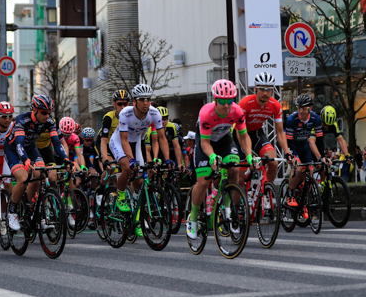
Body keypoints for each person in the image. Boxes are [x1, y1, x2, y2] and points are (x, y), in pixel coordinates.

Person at [185, 80, 251, 240]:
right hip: (206, 142)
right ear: (215, 99)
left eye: (230, 101)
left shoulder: (237, 111)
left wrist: (249, 155)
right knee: (203, 182)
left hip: (224, 140)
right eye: (222, 101)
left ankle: (227, 208)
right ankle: (192, 217)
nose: (227, 105)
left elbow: (243, 136)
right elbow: (205, 143)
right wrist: (212, 156)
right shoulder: (206, 113)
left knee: (234, 169)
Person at [109, 84, 171, 237]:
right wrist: (130, 160)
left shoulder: (154, 113)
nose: (145, 103)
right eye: (142, 99)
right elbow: (123, 140)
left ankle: (136, 219)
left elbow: (162, 138)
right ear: (134, 101)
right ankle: (121, 196)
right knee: (128, 169)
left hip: (136, 142)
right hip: (119, 142)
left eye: (148, 99)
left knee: (139, 182)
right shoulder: (126, 113)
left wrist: (168, 161)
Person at [3, 95, 67, 230]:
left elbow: (56, 142)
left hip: (31, 147)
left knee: (40, 175)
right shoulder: (22, 119)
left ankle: (36, 212)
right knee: (23, 178)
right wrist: (25, 160)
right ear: (35, 110)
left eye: (49, 113)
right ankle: (12, 211)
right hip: (13, 148)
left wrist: (66, 159)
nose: (47, 116)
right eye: (44, 112)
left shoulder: (49, 122)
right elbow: (19, 144)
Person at [237, 73, 290, 185]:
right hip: (240, 134)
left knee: (273, 162)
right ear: (256, 88)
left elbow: (280, 132)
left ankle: (266, 192)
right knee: (242, 176)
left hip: (256, 133)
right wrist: (249, 153)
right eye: (262, 89)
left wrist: (287, 153)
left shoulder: (275, 105)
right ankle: (240, 200)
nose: (265, 93)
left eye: (269, 89)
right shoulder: (245, 103)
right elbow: (240, 132)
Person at [283, 95, 323, 208]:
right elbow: (288, 141)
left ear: (310, 108)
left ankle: (304, 200)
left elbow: (319, 140)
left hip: (305, 146)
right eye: (299, 108)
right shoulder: (292, 119)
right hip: (294, 147)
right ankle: (290, 194)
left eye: (304, 108)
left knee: (310, 170)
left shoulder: (316, 118)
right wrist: (290, 157)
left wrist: (322, 157)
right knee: (299, 168)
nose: (301, 111)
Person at [97, 90, 131, 166]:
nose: (122, 107)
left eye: (125, 104)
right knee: (112, 167)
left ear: (128, 104)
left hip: (121, 144)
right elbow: (104, 141)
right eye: (119, 104)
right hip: (106, 144)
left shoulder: (131, 117)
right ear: (114, 105)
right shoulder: (108, 117)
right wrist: (105, 158)